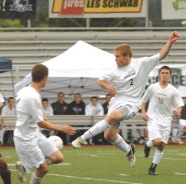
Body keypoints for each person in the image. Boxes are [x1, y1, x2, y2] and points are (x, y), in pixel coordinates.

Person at [72, 31, 180, 169]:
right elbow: (100, 80)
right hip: (117, 101)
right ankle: (129, 151)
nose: (115, 59)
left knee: (112, 116)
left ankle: (82, 139)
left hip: (132, 103)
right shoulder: (114, 71)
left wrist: (170, 42)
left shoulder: (141, 64)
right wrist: (109, 86)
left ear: (127, 56)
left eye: (117, 57)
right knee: (109, 136)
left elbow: (161, 55)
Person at [14, 64, 76, 184]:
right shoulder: (32, 96)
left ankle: (25, 166)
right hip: (25, 138)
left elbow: (27, 112)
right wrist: (62, 128)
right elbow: (41, 123)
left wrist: (40, 115)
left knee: (58, 158)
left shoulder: (25, 90)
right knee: (43, 169)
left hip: (33, 133)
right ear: (45, 78)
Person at [142, 66, 184, 175]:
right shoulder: (152, 87)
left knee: (161, 145)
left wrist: (178, 111)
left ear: (170, 75)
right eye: (163, 73)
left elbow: (179, 104)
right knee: (156, 141)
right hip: (153, 119)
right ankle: (148, 144)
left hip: (166, 121)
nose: (164, 75)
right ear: (159, 74)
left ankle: (152, 168)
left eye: (167, 73)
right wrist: (143, 113)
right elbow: (144, 100)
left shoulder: (173, 90)